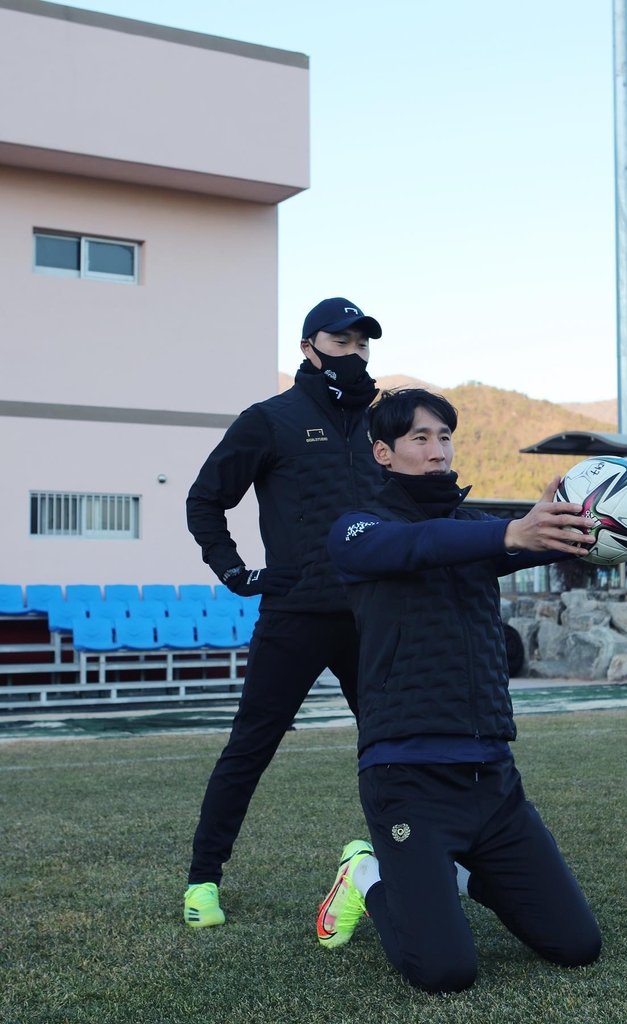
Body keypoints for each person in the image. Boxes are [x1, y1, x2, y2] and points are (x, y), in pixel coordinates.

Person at [315, 388, 604, 993]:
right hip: (407, 780)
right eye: (420, 438)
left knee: (577, 945)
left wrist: (582, 526)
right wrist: (510, 534)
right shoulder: (357, 530)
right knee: (446, 972)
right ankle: (366, 875)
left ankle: (454, 876)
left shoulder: (474, 530)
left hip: (493, 782)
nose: (437, 449)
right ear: (384, 453)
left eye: (445, 437)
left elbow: (514, 539)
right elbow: (420, 547)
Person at [182, 297, 384, 928]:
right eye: (340, 341)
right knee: (251, 746)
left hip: (371, 615)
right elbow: (205, 500)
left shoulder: (384, 426)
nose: (353, 353)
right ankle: (202, 883)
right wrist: (237, 572)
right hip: (295, 612)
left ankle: (402, 860)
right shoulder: (270, 420)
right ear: (307, 348)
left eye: (362, 343)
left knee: (396, 742)